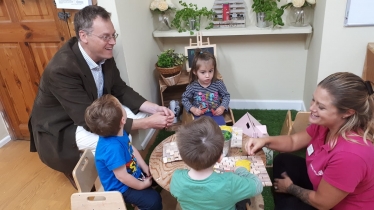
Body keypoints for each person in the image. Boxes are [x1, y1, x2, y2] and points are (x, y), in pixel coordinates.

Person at [28, 5, 174, 189]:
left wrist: (153, 108)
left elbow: (119, 88)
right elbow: (86, 119)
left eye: (113, 35)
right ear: (83, 36)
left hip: (92, 112)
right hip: (63, 127)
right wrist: (147, 124)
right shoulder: (61, 69)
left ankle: (134, 171)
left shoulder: (104, 53)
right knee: (118, 139)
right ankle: (121, 181)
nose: (112, 42)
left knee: (140, 117)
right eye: (106, 37)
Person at [246, 72, 374, 210]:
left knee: (289, 206)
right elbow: (293, 141)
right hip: (322, 184)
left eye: (321, 107)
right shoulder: (325, 125)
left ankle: (288, 202)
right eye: (313, 100)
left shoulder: (350, 156)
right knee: (283, 160)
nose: (312, 108)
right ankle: (286, 202)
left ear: (348, 112)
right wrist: (264, 141)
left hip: (335, 205)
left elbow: (323, 203)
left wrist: (290, 188)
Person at [84, 94, 162, 210]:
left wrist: (145, 167)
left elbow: (131, 149)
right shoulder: (112, 149)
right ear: (123, 120)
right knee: (153, 201)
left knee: (157, 176)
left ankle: (140, 198)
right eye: (122, 107)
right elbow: (122, 177)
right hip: (121, 188)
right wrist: (141, 185)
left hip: (131, 174)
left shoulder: (118, 131)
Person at [170, 116, 263, 210]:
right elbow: (258, 185)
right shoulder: (230, 182)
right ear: (220, 157)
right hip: (231, 189)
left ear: (182, 156)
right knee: (243, 200)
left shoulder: (177, 178)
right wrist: (240, 170)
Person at [181, 49, 230, 125]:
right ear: (195, 71)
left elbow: (226, 95)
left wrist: (222, 107)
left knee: (220, 130)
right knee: (201, 131)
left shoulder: (218, 83)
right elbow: (184, 99)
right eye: (203, 72)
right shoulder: (193, 86)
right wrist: (193, 109)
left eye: (210, 71)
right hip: (200, 116)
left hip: (216, 114)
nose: (207, 76)